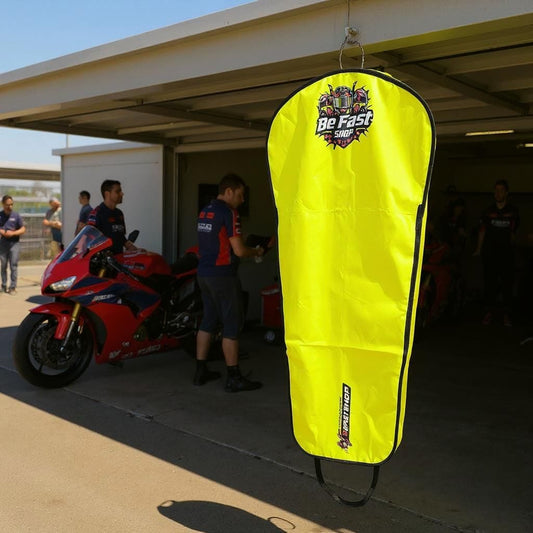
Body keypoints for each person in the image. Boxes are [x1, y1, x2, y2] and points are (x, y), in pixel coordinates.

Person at [195, 173, 265, 392]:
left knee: (208, 320)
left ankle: (200, 370)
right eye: (240, 195)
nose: (242, 200)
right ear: (228, 191)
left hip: (203, 274)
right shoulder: (229, 212)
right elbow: (239, 250)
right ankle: (234, 377)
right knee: (232, 324)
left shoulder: (205, 211)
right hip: (223, 275)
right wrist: (256, 251)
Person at [474, 179, 520, 327]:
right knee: (490, 284)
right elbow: (482, 231)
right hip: (490, 254)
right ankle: (488, 313)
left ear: (506, 193)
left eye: (501, 190)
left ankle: (507, 315)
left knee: (507, 284)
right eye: (496, 190)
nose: (498, 193)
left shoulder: (513, 212)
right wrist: (478, 249)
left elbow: (514, 233)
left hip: (506, 255)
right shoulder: (488, 211)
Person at [87, 180, 138, 254]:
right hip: (103, 259)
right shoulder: (96, 213)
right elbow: (89, 239)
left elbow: (120, 237)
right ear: (107, 194)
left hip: (119, 258)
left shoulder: (119, 213)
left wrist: (130, 247)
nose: (122, 194)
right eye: (118, 191)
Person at [0, 195, 26, 295]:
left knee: (13, 265)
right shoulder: (0, 215)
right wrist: (3, 232)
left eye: (11, 204)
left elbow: (23, 229)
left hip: (14, 243)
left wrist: (13, 233)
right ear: (3, 204)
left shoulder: (16, 215)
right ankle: (3, 286)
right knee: (3, 265)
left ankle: (13, 287)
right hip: (3, 243)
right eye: (7, 205)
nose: (10, 206)